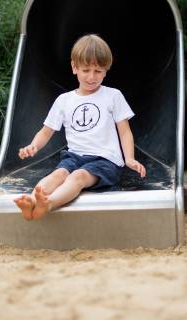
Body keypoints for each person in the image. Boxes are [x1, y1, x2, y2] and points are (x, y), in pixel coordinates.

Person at [13, 34, 146, 220]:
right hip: (74, 156)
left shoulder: (113, 96)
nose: (92, 77)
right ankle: (33, 202)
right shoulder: (64, 100)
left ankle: (48, 204)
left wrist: (129, 158)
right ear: (74, 67)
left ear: (106, 71)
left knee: (77, 177)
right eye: (86, 70)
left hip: (105, 160)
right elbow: (46, 130)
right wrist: (33, 146)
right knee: (58, 174)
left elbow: (124, 131)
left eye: (98, 71)